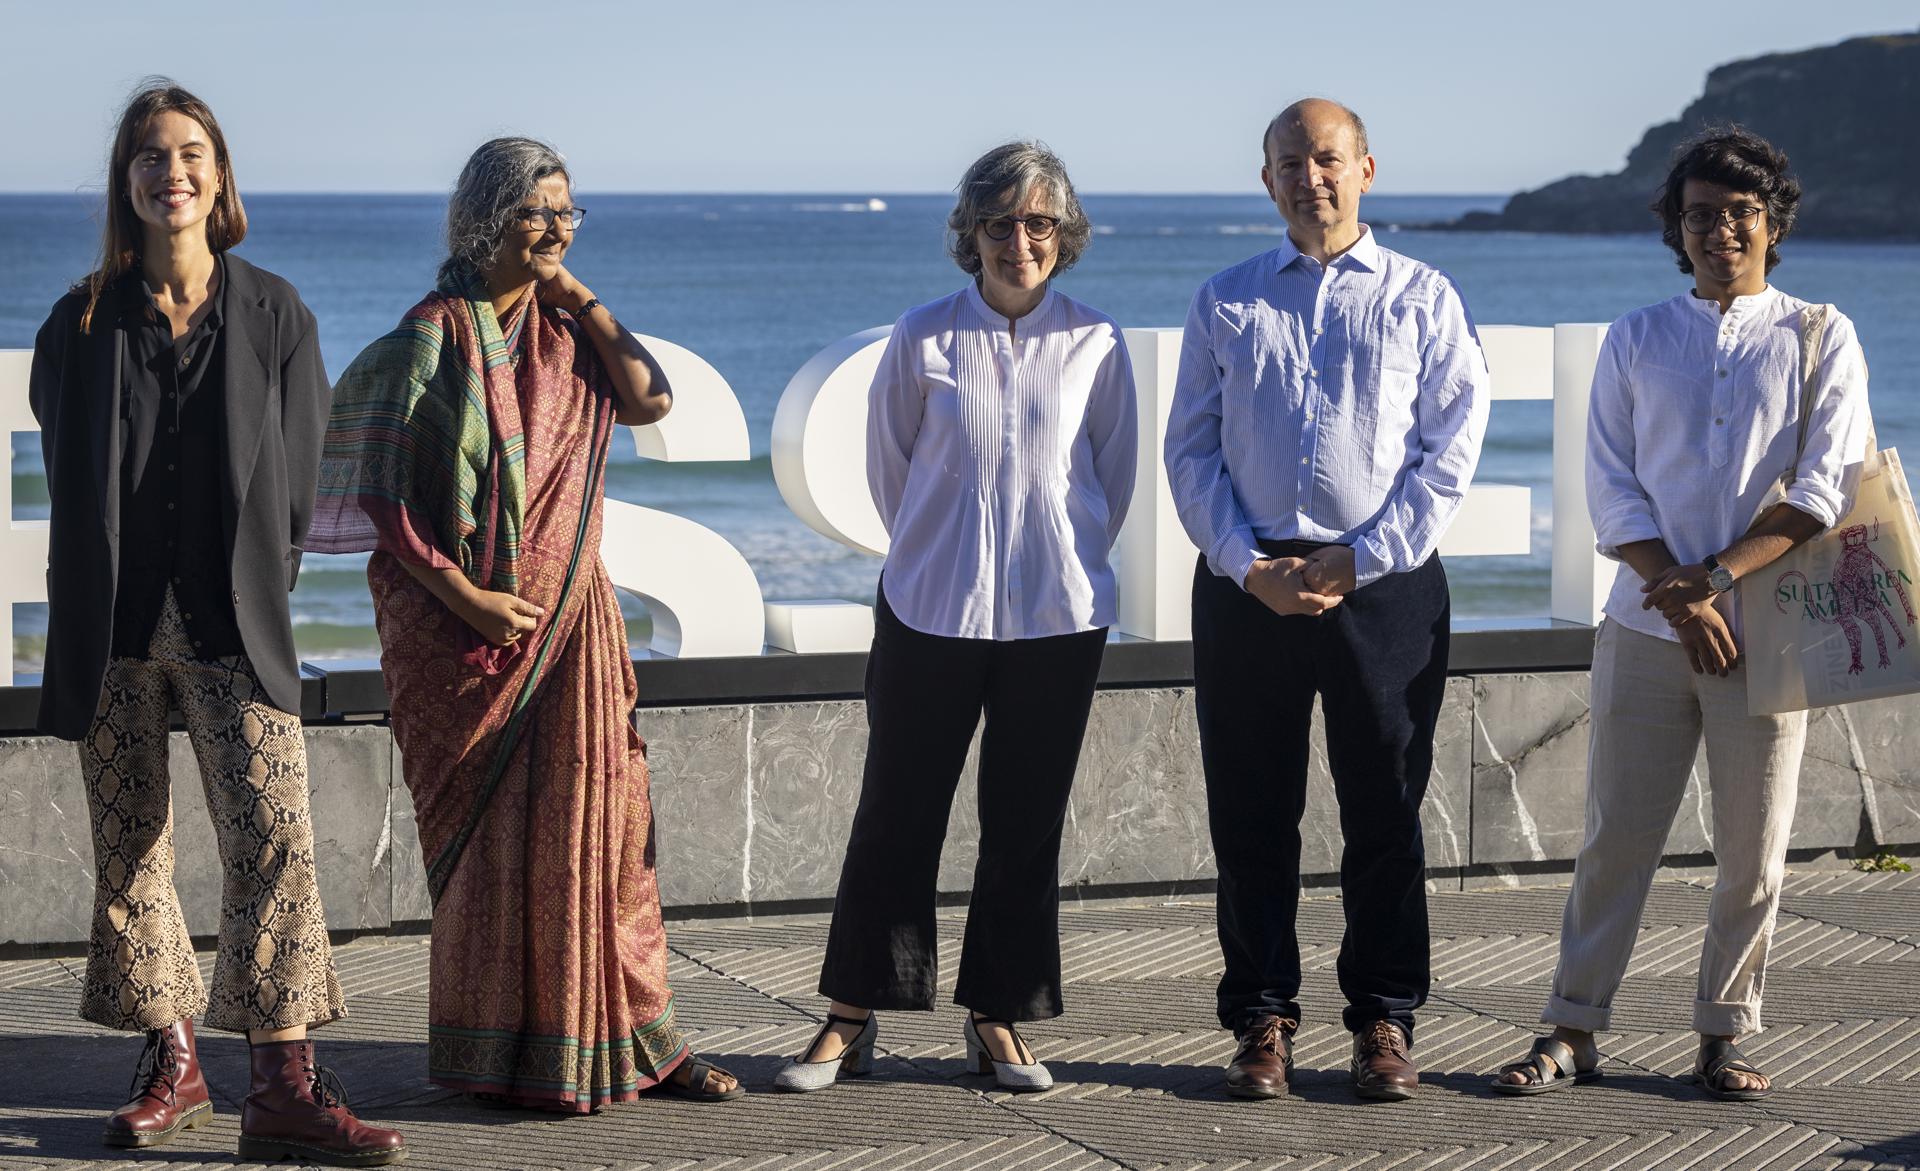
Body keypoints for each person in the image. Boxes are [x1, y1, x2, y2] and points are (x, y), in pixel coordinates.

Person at [310, 137, 741, 1110]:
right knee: (495, 852)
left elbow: (651, 397)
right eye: (535, 212)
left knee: (610, 831)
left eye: (565, 212)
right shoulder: (429, 337)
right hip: (463, 640)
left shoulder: (569, 333)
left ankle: (646, 1045)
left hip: (573, 626)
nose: (552, 228)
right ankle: (506, 1055)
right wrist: (467, 598)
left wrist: (572, 286)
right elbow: (385, 498)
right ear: (485, 219)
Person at [28, 80, 405, 1165]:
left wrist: (252, 577)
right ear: (127, 183)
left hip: (235, 624)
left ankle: (284, 1082)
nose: (172, 172)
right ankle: (176, 1063)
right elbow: (63, 459)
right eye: (150, 156)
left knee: (275, 842)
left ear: (221, 176)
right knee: (130, 853)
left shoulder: (277, 311)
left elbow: (298, 479)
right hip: (112, 630)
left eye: (191, 153)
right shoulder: (81, 317)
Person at [1492, 128, 1870, 1101]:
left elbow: (1821, 489)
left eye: (1740, 213)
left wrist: (1713, 580)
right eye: (1700, 214)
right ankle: (1573, 1025)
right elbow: (1612, 491)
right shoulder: (1637, 336)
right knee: (1618, 837)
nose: (1720, 231)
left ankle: (1725, 1033)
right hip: (1647, 628)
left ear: (1772, 223)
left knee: (1754, 848)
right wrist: (1680, 590)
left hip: (1771, 631)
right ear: (1678, 226)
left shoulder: (1819, 333)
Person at [774, 142, 1137, 1094]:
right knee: (896, 813)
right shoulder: (922, 336)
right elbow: (892, 475)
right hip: (930, 612)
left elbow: (1108, 480)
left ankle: (999, 1018)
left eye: (1039, 223)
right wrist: (953, 557)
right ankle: (851, 1017)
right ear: (969, 235)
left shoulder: (1097, 342)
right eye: (1000, 223)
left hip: (1059, 619)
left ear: (1065, 235)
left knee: (1026, 824)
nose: (1021, 241)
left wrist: (1049, 560)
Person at [1164, 98, 1490, 1102]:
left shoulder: (1424, 297)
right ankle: (1262, 1017)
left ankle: (1384, 1017)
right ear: (1266, 181)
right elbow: (1191, 446)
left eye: (1328, 158)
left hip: (1383, 591)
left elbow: (1451, 449)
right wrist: (1240, 560)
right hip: (1247, 587)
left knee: (1384, 812)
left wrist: (1369, 553)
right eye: (1290, 162)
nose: (1311, 175)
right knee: (1251, 813)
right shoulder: (1226, 298)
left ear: (1366, 169)